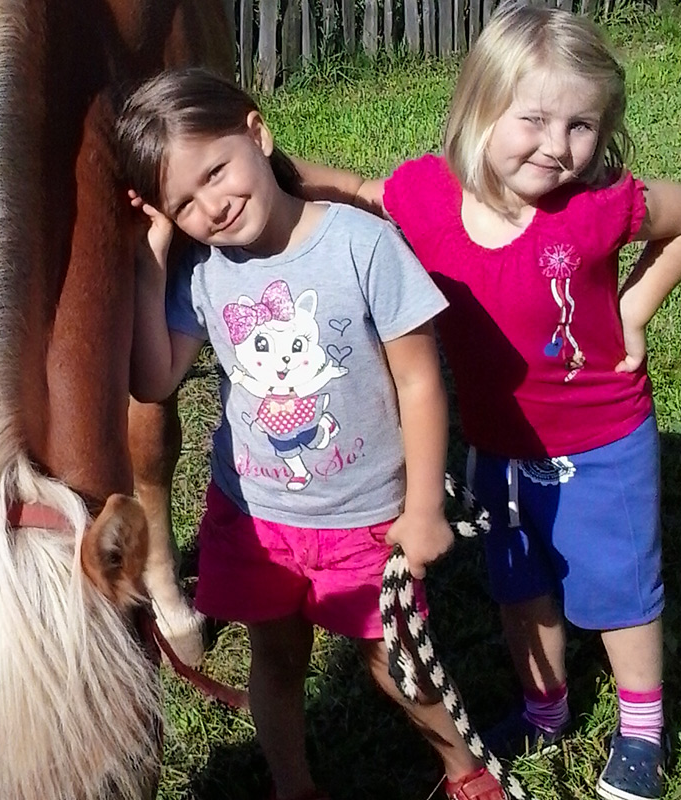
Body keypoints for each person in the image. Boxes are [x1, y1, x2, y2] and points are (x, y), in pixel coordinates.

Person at [296, 7, 681, 800]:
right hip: (496, 447)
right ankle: (545, 708)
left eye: (582, 124)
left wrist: (631, 310)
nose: (559, 146)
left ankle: (643, 732)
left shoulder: (595, 207)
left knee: (621, 591)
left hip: (605, 439)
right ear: (478, 110)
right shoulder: (426, 195)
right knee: (521, 588)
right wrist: (265, 167)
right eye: (534, 119)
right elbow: (356, 191)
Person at [116, 67, 508, 800]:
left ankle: (465, 771)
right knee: (276, 659)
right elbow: (155, 379)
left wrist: (422, 507)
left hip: (366, 518)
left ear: (258, 134)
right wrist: (150, 261)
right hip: (257, 518)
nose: (212, 206)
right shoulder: (200, 272)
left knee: (395, 662)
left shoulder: (362, 246)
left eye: (216, 172)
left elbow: (421, 382)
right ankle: (294, 787)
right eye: (184, 203)